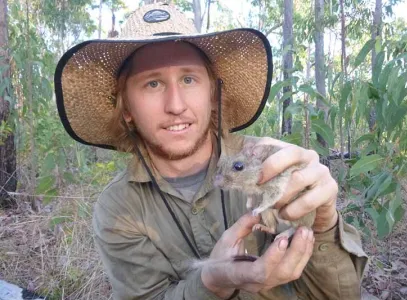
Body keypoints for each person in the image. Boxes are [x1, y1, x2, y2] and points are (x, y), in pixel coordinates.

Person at [54, 3, 368, 299]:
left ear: (213, 94)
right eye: (152, 84)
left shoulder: (268, 161)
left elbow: (338, 294)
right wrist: (211, 282)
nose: (176, 106)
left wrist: (324, 220)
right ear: (127, 111)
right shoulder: (119, 209)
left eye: (189, 79)